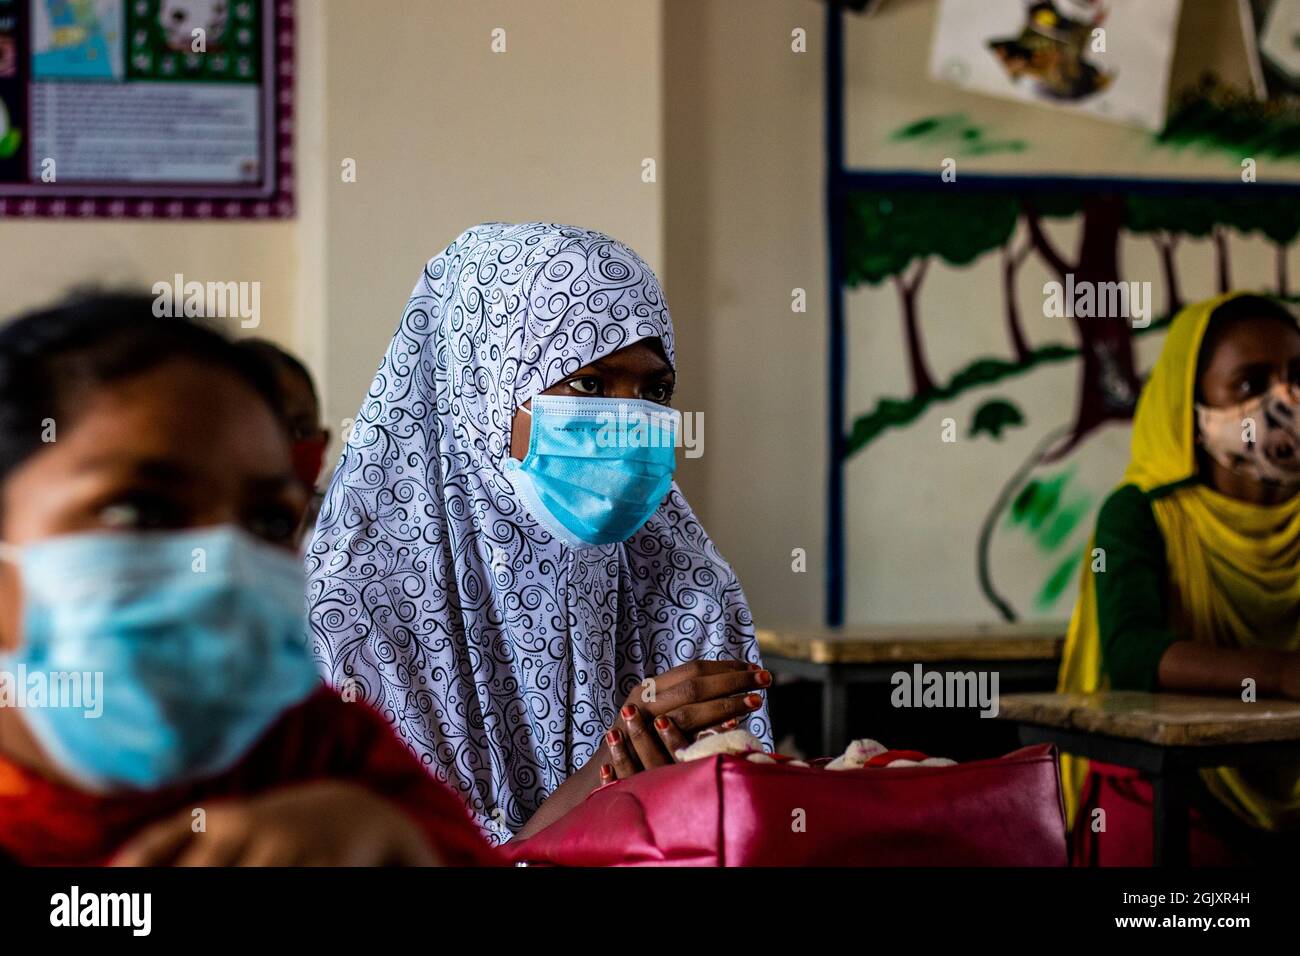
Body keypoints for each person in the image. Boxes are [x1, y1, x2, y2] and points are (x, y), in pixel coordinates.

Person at [307, 222, 773, 843]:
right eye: (587, 383)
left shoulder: (689, 585)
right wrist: (611, 775)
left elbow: (743, 834)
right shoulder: (355, 611)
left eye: (655, 390)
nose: (628, 420)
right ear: (482, 388)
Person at [0, 293, 497, 866]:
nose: (221, 567)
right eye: (140, 511)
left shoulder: (323, 756)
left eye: (269, 521)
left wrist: (396, 846)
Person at [1058, 291, 1300, 865]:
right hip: (1172, 787)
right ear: (1188, 409)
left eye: (1297, 376)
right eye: (1250, 385)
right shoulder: (1140, 513)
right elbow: (1132, 652)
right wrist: (1285, 673)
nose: (1285, 399)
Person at [237, 339, 331, 547]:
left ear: (324, 440)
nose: (286, 447)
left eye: (301, 430)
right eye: (266, 432)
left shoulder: (350, 524)